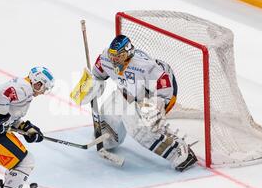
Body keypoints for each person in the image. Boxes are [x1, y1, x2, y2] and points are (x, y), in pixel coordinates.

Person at [82, 35, 197, 171]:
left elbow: (164, 83)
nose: (114, 60)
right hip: (131, 91)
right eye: (112, 56)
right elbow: (96, 75)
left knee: (140, 128)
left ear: (128, 53)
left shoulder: (144, 66)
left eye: (118, 56)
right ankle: (109, 138)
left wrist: (157, 105)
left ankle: (179, 149)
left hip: (158, 92)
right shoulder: (105, 59)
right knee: (110, 111)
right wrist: (91, 85)